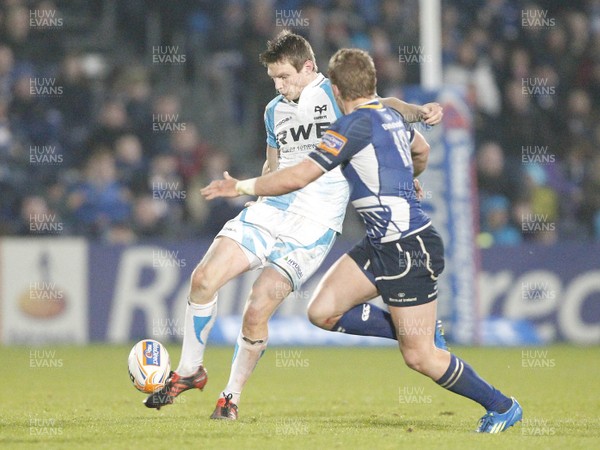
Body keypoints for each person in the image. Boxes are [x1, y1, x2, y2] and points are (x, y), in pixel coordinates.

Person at [202, 48, 523, 433]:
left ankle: (502, 405)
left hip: (408, 248)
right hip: (381, 243)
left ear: (336, 90)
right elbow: (422, 150)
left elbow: (299, 176)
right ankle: (420, 329)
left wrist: (239, 185)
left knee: (419, 357)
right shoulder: (387, 116)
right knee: (323, 312)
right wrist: (402, 175)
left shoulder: (353, 126)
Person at [144, 30, 444, 420]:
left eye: (284, 76)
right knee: (202, 279)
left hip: (314, 224)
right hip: (270, 210)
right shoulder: (273, 111)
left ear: (309, 67)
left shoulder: (336, 97)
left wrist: (418, 112)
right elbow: (275, 165)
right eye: (273, 79)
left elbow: (383, 105)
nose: (279, 86)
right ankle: (189, 371)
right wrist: (254, 190)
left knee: (257, 308)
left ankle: (230, 397)